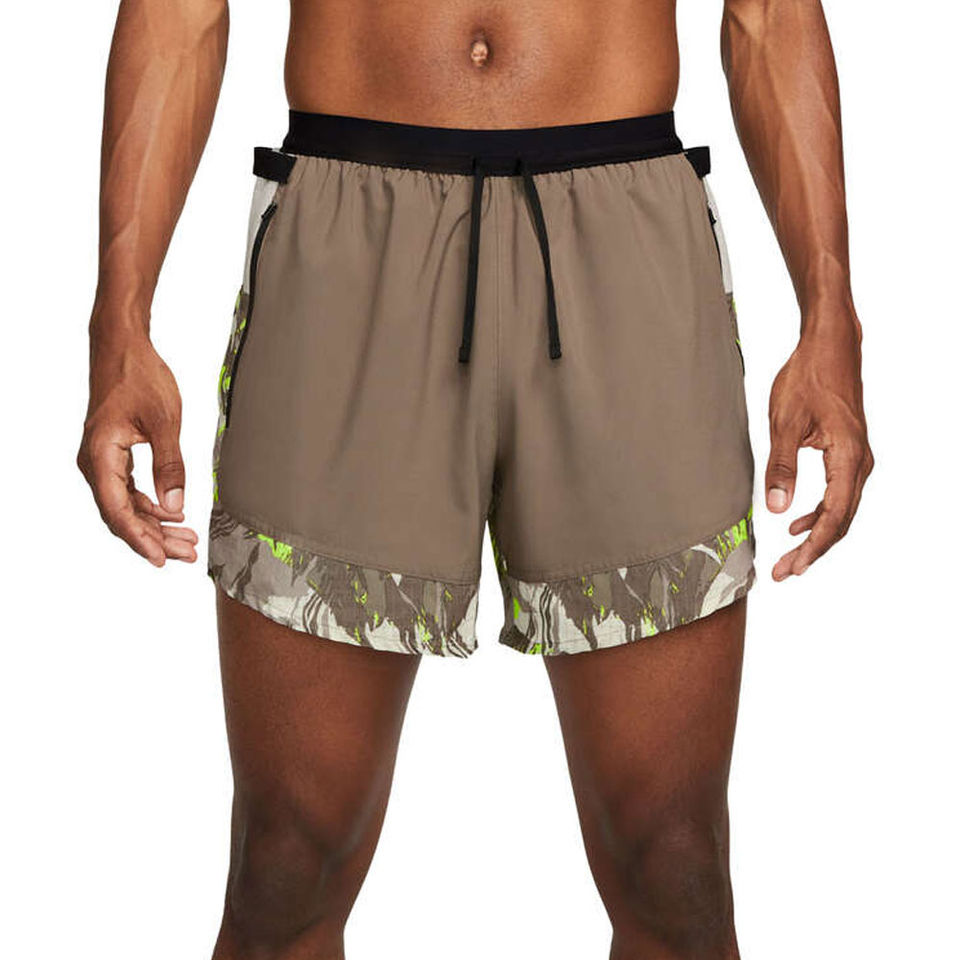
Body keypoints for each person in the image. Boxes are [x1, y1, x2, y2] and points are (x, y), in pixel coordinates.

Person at [77, 0, 873, 956]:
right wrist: (119, 321)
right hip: (348, 233)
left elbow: (769, 14)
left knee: (674, 865)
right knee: (285, 859)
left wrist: (830, 315)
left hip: (623, 230)